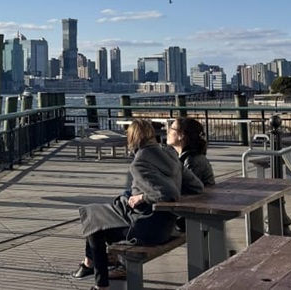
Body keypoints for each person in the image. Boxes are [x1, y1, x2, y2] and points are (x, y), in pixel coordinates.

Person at [71, 119, 205, 290]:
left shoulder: (140, 162)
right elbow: (196, 186)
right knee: (93, 214)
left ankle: (100, 283)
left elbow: (168, 193)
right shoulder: (170, 154)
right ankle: (90, 266)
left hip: (147, 228)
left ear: (133, 138)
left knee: (94, 223)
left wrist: (142, 197)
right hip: (167, 225)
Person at [167, 117, 215, 186]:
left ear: (181, 135)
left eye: (171, 129)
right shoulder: (187, 156)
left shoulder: (192, 160)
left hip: (201, 196)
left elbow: (189, 187)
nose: (168, 131)